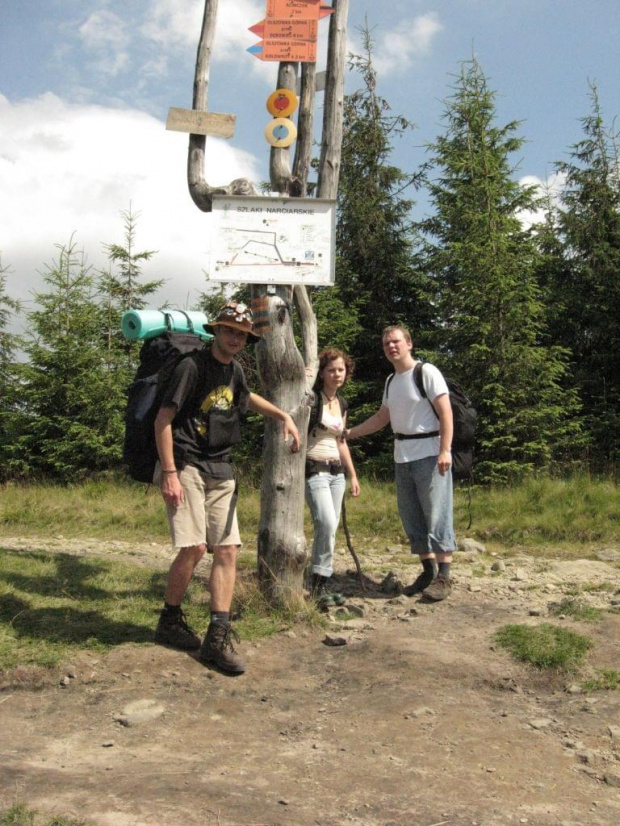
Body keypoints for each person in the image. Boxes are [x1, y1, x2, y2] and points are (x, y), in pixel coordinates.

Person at [153, 301, 301, 674]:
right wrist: (169, 471)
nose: (235, 338)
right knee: (194, 547)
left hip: (221, 468)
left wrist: (283, 414)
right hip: (186, 464)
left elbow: (245, 399)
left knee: (228, 550)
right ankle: (169, 620)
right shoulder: (192, 367)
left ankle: (216, 637)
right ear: (215, 330)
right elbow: (163, 418)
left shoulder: (234, 371)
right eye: (229, 330)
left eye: (241, 334)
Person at [343, 325, 455, 601]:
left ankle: (445, 576)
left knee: (437, 513)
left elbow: (446, 412)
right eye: (386, 344)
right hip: (402, 455)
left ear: (409, 343)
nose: (391, 347)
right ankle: (427, 571)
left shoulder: (426, 372)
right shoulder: (391, 381)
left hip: (429, 453)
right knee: (412, 516)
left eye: (395, 342)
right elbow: (383, 418)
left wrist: (445, 450)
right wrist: (350, 433)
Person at [305, 349, 360, 608]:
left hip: (336, 471)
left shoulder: (343, 403)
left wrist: (353, 475)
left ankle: (321, 580)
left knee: (331, 527)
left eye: (341, 370)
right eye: (331, 370)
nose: (337, 374)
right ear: (321, 373)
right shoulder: (312, 399)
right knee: (325, 522)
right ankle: (317, 581)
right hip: (314, 467)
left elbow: (341, 442)